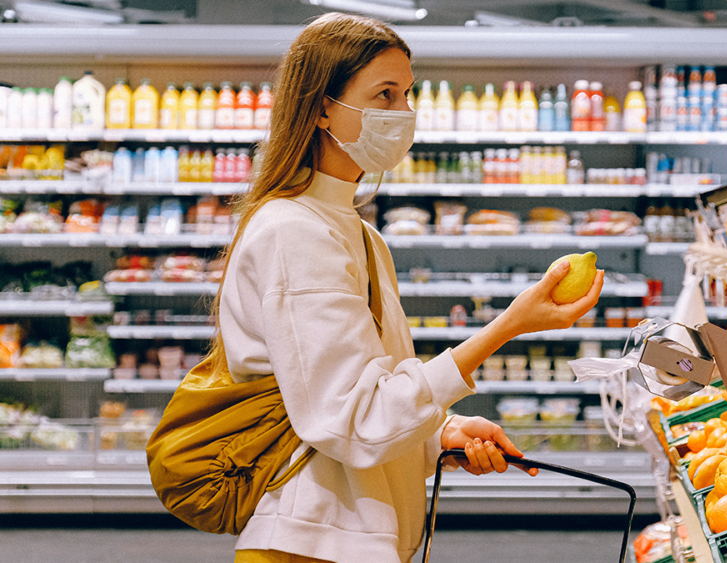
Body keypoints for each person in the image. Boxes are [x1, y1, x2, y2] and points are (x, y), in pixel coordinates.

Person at [207, 12, 605, 563]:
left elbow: (373, 393)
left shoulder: (360, 234)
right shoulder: (292, 231)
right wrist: (508, 326)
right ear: (322, 106)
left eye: (408, 94)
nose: (404, 114)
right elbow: (353, 419)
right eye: (385, 95)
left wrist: (440, 433)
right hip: (309, 541)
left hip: (359, 537)